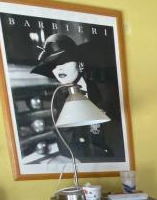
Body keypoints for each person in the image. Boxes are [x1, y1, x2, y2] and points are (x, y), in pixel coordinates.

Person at [30, 33, 123, 162]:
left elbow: (121, 135)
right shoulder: (57, 98)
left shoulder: (106, 90)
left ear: (80, 64)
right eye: (53, 64)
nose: (59, 68)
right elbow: (65, 142)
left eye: (64, 61)